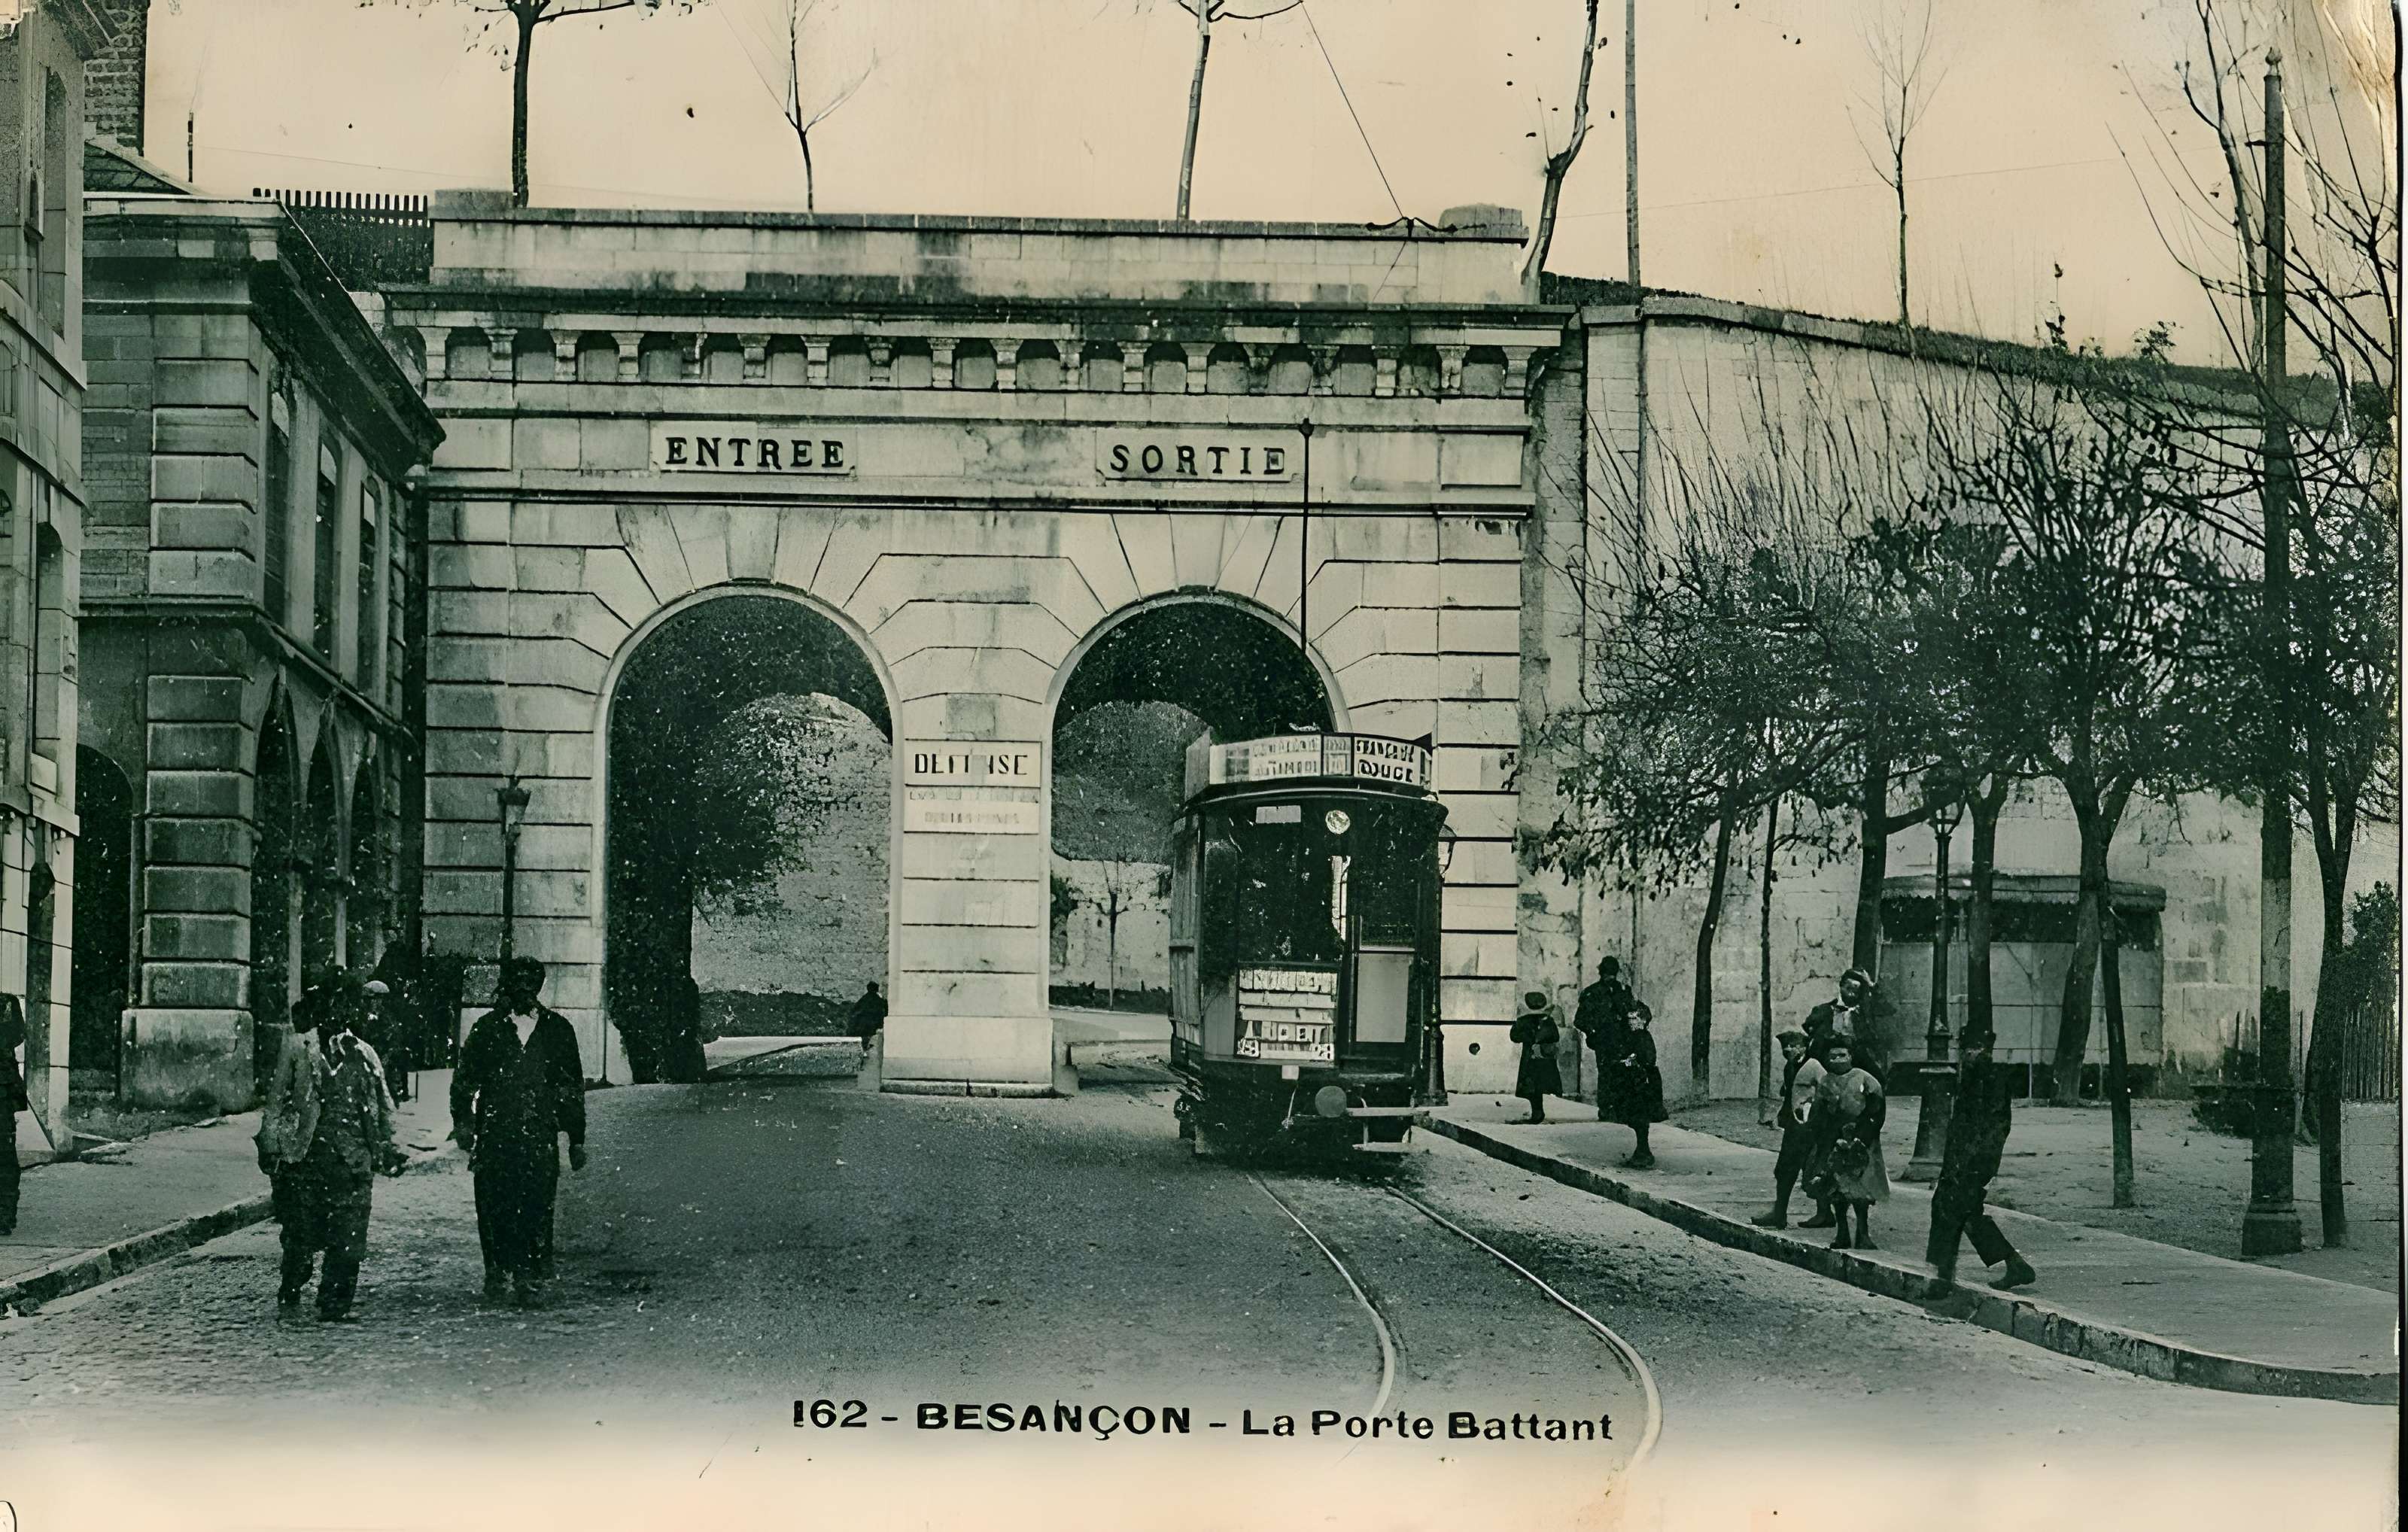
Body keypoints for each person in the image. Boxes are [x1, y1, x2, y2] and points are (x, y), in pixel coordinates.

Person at [259, 977, 405, 1321]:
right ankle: (293, 1279)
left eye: (346, 1005)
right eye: (331, 1003)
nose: (337, 1012)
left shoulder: (365, 1053)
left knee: (349, 1237)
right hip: (306, 1161)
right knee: (299, 1233)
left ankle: (335, 1303)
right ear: (319, 1007)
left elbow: (384, 1106)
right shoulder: (298, 1048)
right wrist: (271, 1147)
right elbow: (276, 1102)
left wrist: (388, 1146)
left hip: (353, 1162)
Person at [453, 956, 587, 1308]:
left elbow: (571, 1085)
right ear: (508, 985)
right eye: (518, 980)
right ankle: (496, 1271)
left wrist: (577, 1138)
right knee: (494, 1203)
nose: (526, 986)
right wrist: (464, 1123)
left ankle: (530, 1275)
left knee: (536, 1203)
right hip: (497, 1133)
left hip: (539, 1136)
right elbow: (464, 1080)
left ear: (540, 986)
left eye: (533, 980)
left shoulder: (558, 1030)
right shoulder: (488, 1029)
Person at [1927, 1030, 2037, 1290]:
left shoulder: (1991, 1080)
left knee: (1951, 1211)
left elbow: (1996, 1128)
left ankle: (1941, 1279)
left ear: (1988, 1050)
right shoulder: (1971, 1077)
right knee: (1962, 1213)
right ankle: (2014, 1264)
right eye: (1966, 1049)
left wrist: (1977, 1165)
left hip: (1972, 1164)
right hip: (1960, 1162)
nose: (1970, 1054)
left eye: (1976, 1048)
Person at [1808, 1034, 1889, 1250]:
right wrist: (1823, 1140)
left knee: (1861, 1191)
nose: (1837, 1060)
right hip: (1834, 1143)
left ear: (1851, 1056)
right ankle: (1842, 1233)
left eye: (1842, 1055)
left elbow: (1877, 1111)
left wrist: (1862, 1137)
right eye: (1832, 1056)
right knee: (1836, 1191)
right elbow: (1818, 1114)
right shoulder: (1826, 1081)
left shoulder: (1865, 1079)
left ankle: (1863, 1234)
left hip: (1861, 1142)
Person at [1751, 1025, 1827, 1229]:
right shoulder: (1790, 1067)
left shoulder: (1814, 1066)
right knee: (1784, 1169)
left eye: (1793, 1046)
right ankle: (1780, 1213)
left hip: (1812, 1127)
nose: (1788, 1050)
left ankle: (1824, 1213)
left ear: (1803, 1047)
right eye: (1785, 1047)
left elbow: (1826, 1092)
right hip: (1795, 1126)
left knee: (1814, 1170)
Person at [1598, 1001, 1668, 1169]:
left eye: (1635, 1018)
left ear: (1644, 1020)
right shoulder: (1632, 1036)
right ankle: (1642, 1150)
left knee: (1640, 1116)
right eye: (1629, 1018)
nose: (1631, 1022)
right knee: (1635, 1116)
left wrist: (1632, 1062)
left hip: (1643, 1083)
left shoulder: (1644, 1037)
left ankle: (1644, 1152)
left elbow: (1649, 1059)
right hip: (1632, 1081)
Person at [1571, 958, 1637, 1122]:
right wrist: (1593, 1032)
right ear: (1602, 973)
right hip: (1604, 1041)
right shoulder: (1592, 993)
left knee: (1623, 1073)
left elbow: (1633, 1011)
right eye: (1608, 973)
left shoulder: (1623, 991)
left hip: (1623, 1040)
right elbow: (1580, 1020)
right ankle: (1606, 1109)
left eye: (1612, 973)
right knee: (1607, 1075)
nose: (1610, 977)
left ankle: (1620, 1109)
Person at [1510, 990, 1562, 1124]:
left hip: (1530, 1058)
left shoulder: (1523, 1021)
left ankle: (1537, 1111)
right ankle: (1538, 1111)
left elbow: (1514, 1036)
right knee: (1540, 1084)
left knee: (1532, 1087)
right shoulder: (1548, 1021)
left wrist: (1529, 1038)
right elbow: (1555, 1036)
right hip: (1544, 1059)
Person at [1, 992, 26, 1237]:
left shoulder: (6, 1003)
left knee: (4, 1155)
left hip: (1, 1091)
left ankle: (4, 1215)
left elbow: (17, 1035)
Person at [848, 980, 887, 1065]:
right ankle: (864, 1051)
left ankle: (863, 1052)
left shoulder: (864, 998)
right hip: (873, 1023)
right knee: (867, 1037)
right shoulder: (879, 1000)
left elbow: (855, 1010)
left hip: (863, 1023)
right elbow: (885, 1011)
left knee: (864, 1038)